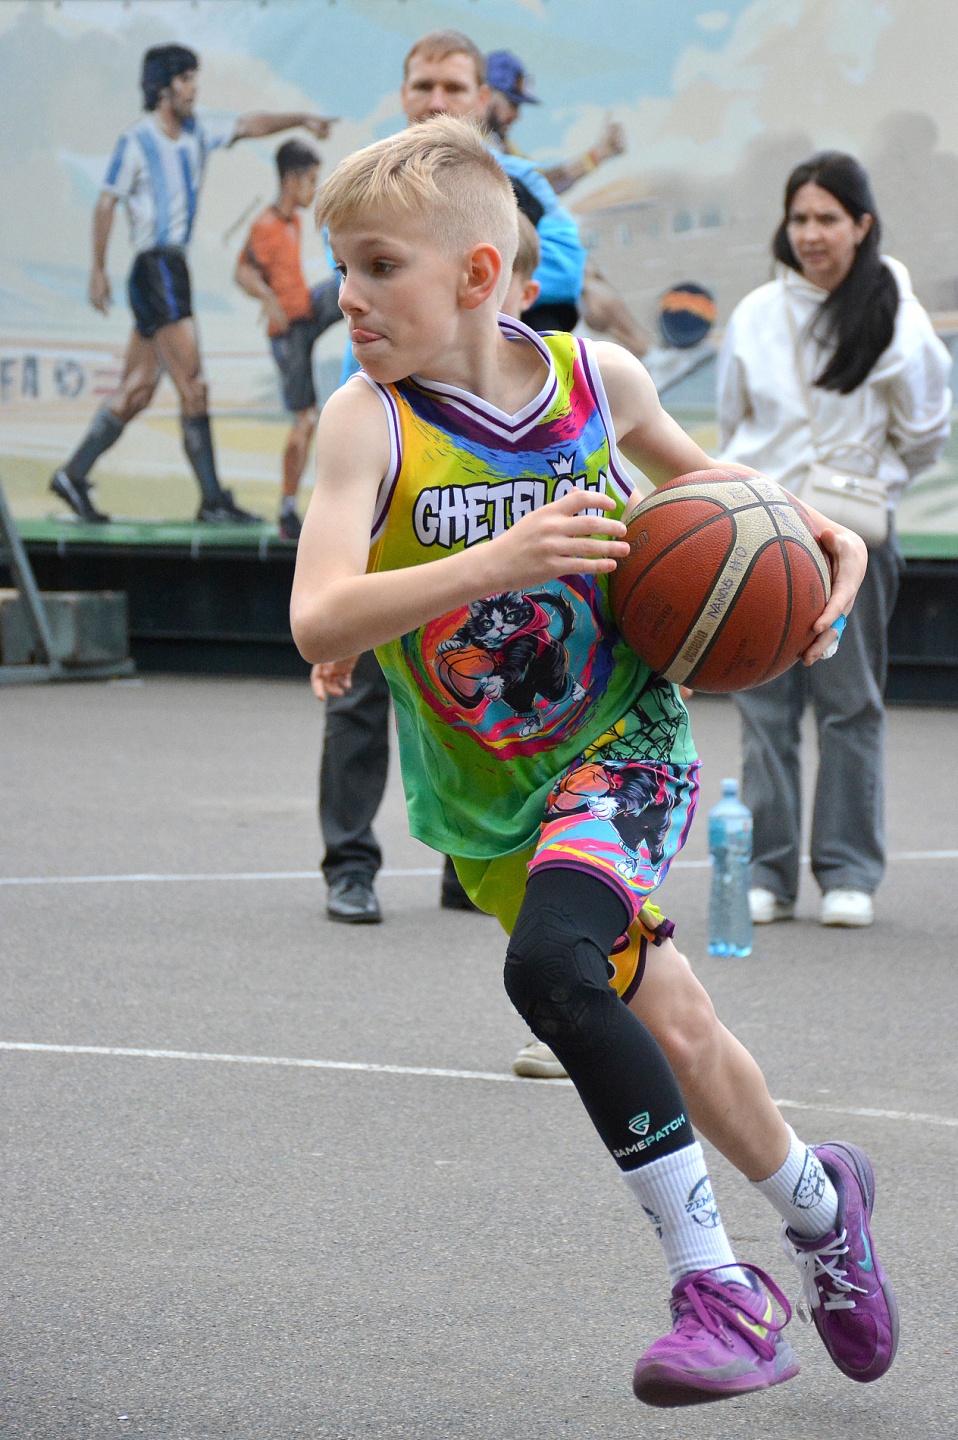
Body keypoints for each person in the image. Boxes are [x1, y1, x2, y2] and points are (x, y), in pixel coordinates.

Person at [291, 116, 897, 1408]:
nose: (348, 296)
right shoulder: (365, 422)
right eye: (341, 268)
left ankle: (719, 1290)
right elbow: (316, 614)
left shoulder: (593, 382)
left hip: (624, 741)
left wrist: (821, 538)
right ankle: (818, 1201)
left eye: (379, 266)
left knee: (551, 969)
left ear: (476, 273)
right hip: (486, 792)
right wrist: (485, 568)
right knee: (673, 1025)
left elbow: (717, 497)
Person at [315, 28, 588, 923]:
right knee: (363, 673)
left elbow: (560, 266)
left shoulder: (517, 190)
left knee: (496, 663)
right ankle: (350, 861)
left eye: (452, 87)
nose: (435, 100)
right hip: (404, 459)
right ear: (403, 95)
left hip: (495, 453)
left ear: (483, 100)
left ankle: (473, 857)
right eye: (421, 85)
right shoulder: (373, 191)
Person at [718, 151, 951, 928]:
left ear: (862, 224)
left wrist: (874, 486)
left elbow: (926, 431)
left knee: (850, 705)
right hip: (761, 534)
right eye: (799, 218)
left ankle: (849, 871)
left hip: (854, 539)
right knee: (765, 707)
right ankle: (767, 873)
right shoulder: (757, 312)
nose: (811, 234)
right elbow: (733, 420)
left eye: (827, 218)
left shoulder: (897, 314)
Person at [50, 44, 336, 526]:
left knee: (138, 389)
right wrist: (97, 270)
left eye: (193, 79)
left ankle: (72, 475)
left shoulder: (197, 133)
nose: (193, 89)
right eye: (185, 80)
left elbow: (247, 125)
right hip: (157, 269)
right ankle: (211, 499)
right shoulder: (139, 140)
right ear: (163, 88)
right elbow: (106, 201)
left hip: (170, 269)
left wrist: (302, 119)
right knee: (194, 386)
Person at [483, 47, 652, 359]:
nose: (516, 115)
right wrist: (597, 155)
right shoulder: (475, 142)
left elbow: (536, 187)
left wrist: (596, 156)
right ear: (485, 93)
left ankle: (644, 350)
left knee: (584, 270)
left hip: (519, 263)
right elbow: (540, 186)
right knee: (581, 274)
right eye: (512, 103)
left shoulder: (500, 143)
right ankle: (645, 351)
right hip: (501, 265)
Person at [234, 140, 343, 540]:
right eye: (311, 181)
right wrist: (267, 299)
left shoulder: (293, 221)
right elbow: (243, 272)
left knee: (348, 284)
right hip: (288, 332)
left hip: (305, 314)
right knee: (306, 419)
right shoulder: (265, 225)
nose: (313, 188)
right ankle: (287, 510)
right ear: (292, 180)